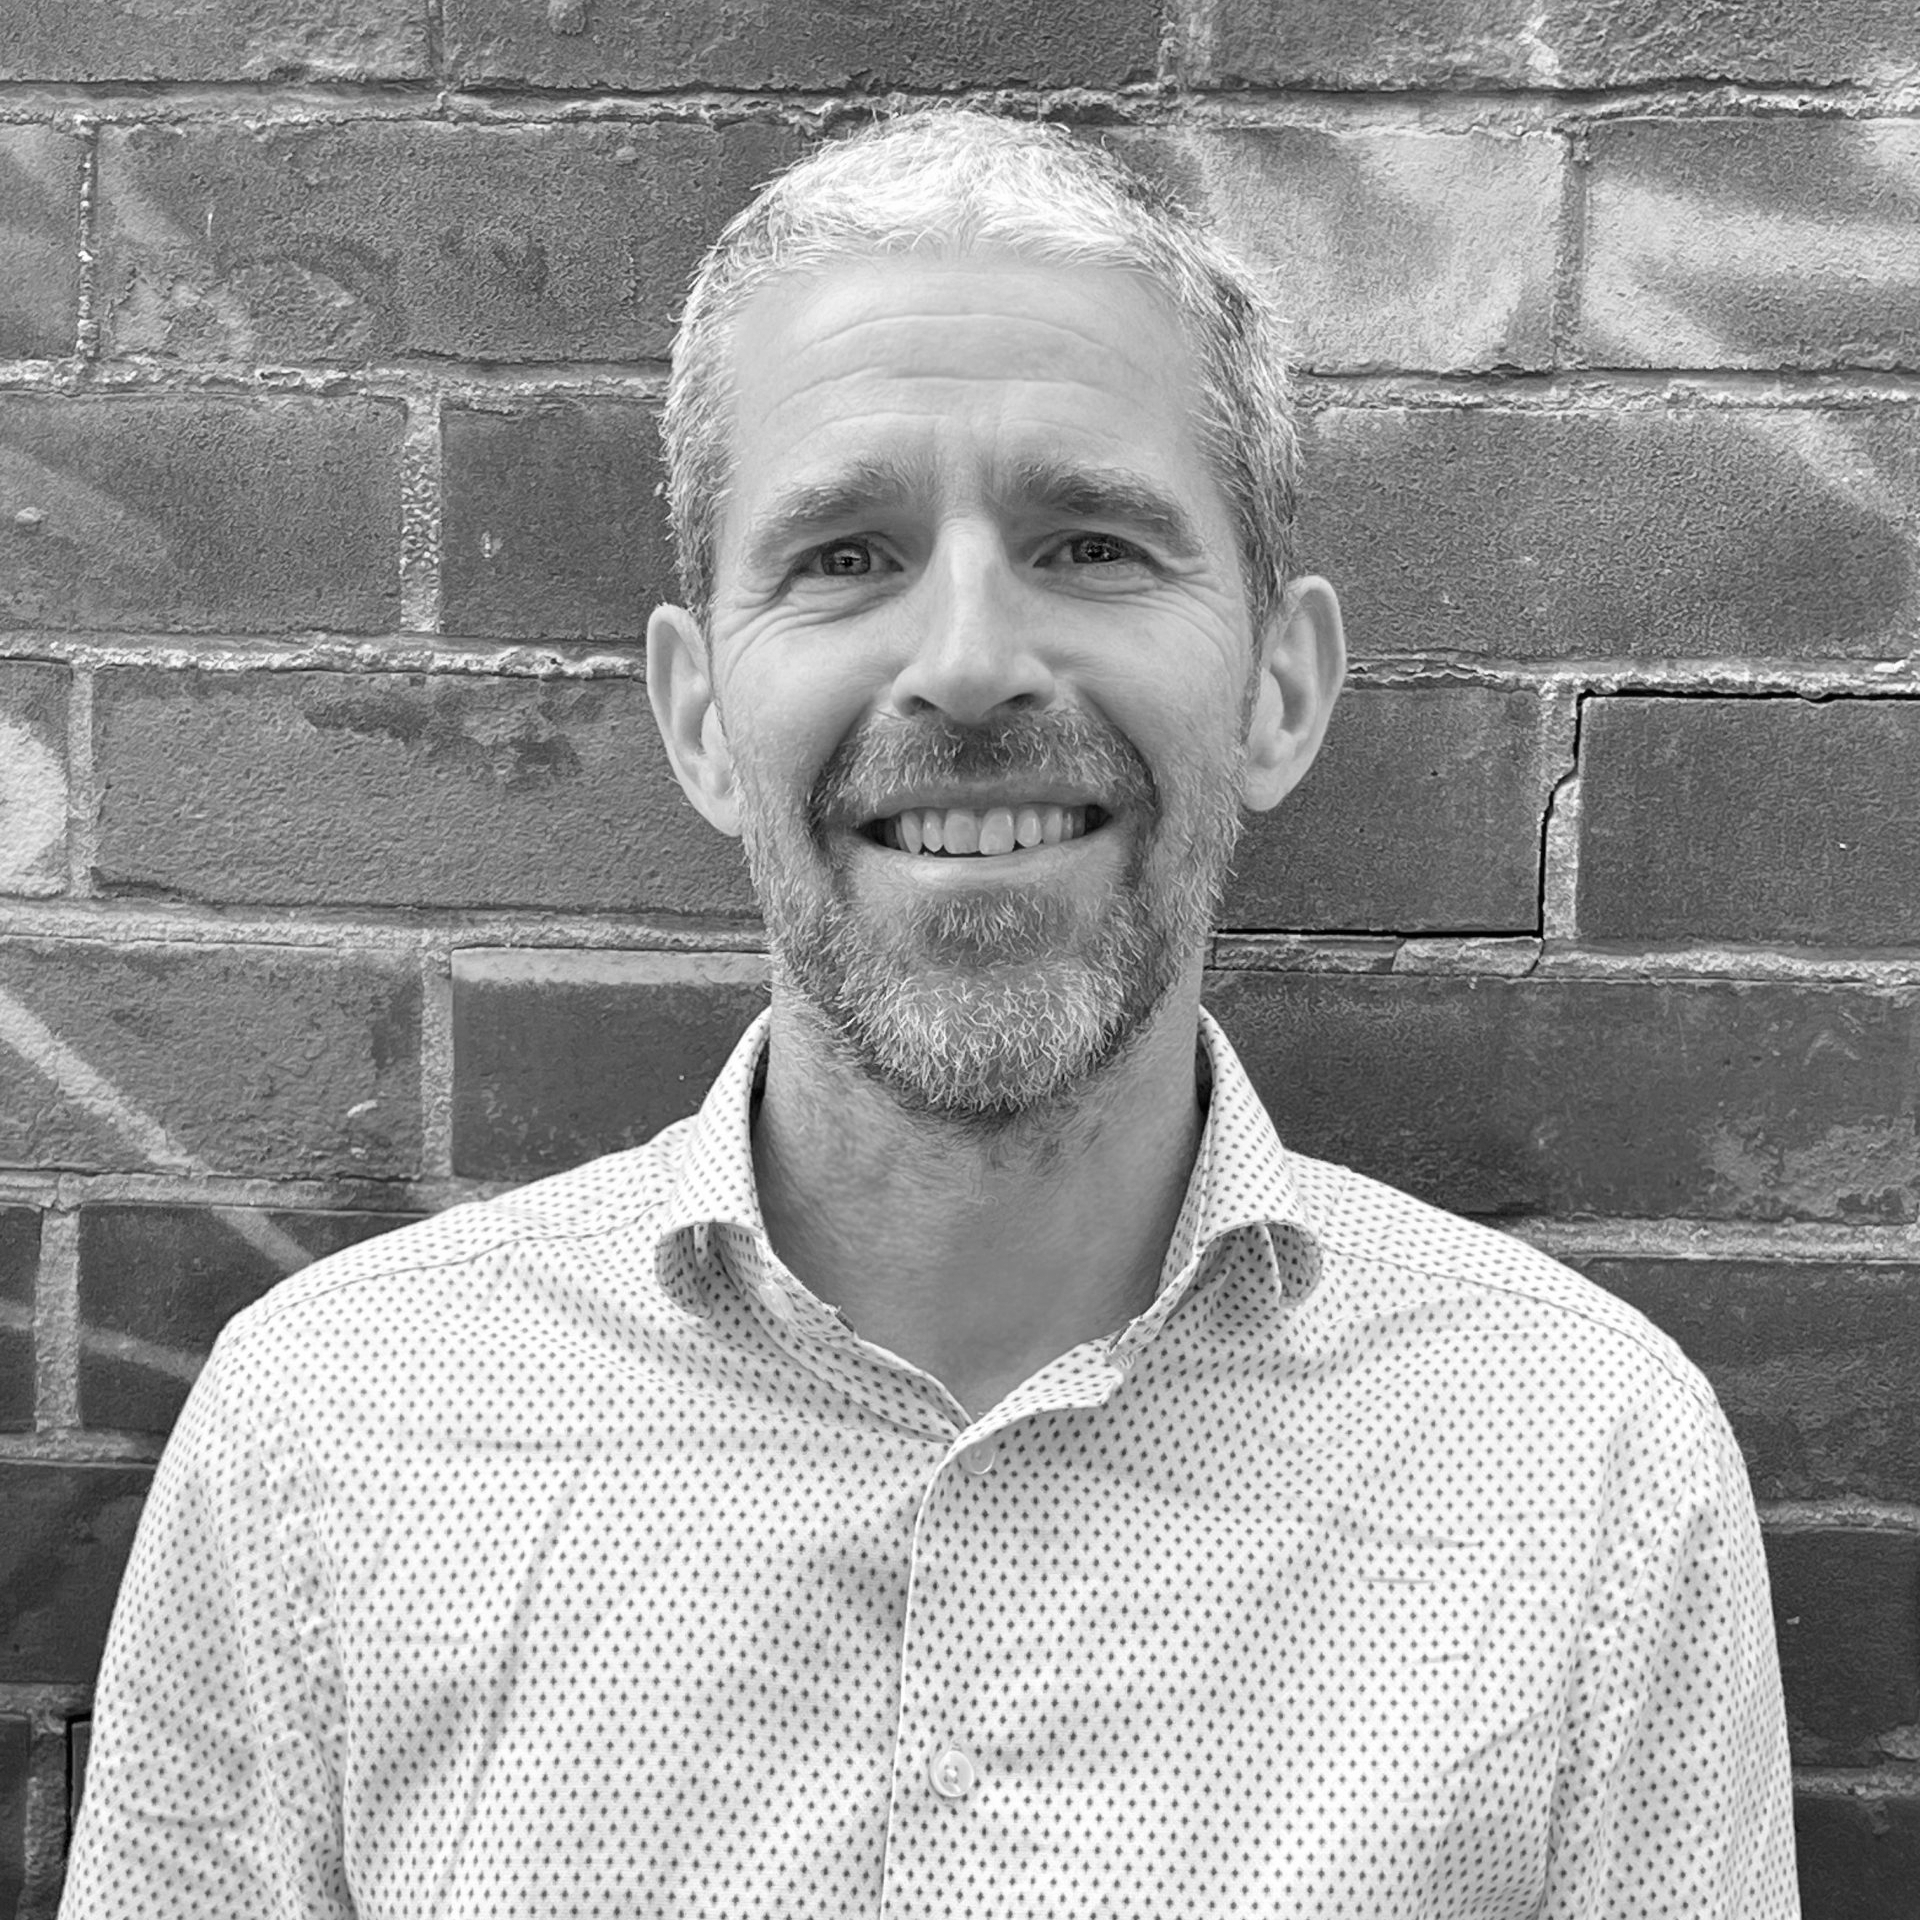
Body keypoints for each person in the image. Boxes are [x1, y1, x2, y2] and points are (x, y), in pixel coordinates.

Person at [62, 111, 1797, 1918]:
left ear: (1281, 689)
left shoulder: (1587, 1476)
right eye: (843, 556)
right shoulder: (324, 1440)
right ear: (702, 716)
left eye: (1094, 546)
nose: (968, 663)